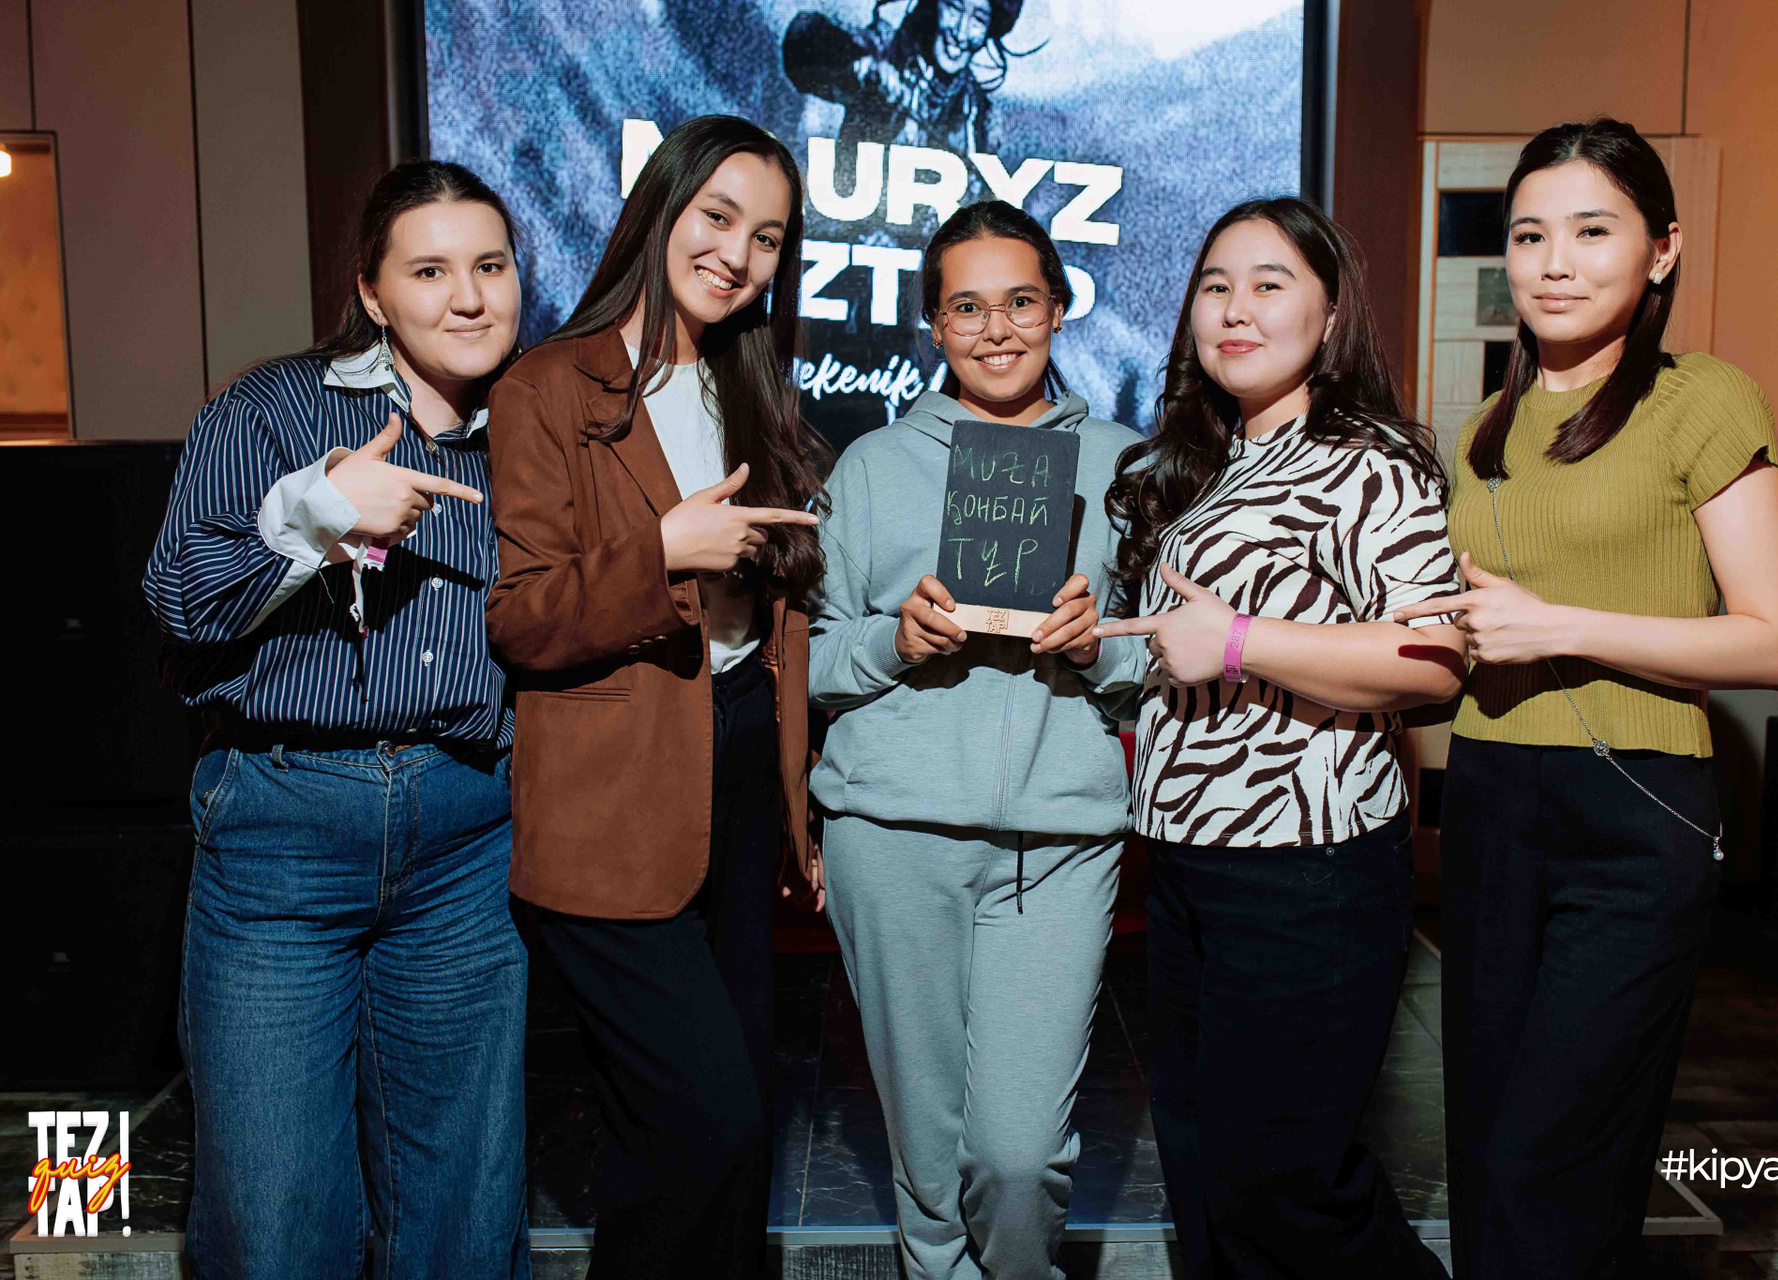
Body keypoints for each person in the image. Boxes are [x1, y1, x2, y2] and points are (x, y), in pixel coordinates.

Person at [1391, 118, 1778, 1279]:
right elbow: (1476, 630)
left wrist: (1559, 626)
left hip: (1635, 815)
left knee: (1554, 1161)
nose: (1554, 262)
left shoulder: (1702, 397)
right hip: (1490, 801)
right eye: (1530, 235)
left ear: (1662, 249)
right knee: (1488, 1149)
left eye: (1591, 230)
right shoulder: (1483, 428)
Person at [144, 160, 529, 1279]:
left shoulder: (537, 426)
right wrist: (319, 514)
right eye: (431, 271)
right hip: (282, 827)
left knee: (462, 1214)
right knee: (277, 1220)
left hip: (467, 836)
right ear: (372, 291)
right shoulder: (271, 408)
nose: (470, 298)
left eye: (492, 266)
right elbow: (180, 597)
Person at [484, 114, 826, 1279]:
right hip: (611, 798)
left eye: (768, 238)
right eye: (718, 217)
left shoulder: (752, 386)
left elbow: (779, 621)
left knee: (714, 1133)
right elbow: (522, 616)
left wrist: (796, 807)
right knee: (705, 1117)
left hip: (737, 770)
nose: (739, 254)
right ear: (661, 208)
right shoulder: (546, 386)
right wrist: (663, 550)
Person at [1096, 197, 1462, 1279]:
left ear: (1331, 312)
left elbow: (1435, 660)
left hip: (1307, 868)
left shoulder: (1368, 462)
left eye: (1269, 284)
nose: (1235, 309)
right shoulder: (1205, 462)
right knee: (1208, 1171)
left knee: (1289, 1184)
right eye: (1215, 286)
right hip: (1189, 862)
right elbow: (1177, 652)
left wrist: (1240, 641)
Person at [808, 199, 1146, 1279]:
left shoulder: (1128, 467)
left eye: (1020, 302)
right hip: (891, 831)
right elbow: (810, 659)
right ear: (934, 325)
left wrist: (1098, 648)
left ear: (1059, 309)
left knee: (1016, 1154)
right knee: (928, 1156)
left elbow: (1162, 662)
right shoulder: (872, 465)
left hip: (1059, 840)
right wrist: (894, 639)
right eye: (966, 307)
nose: (996, 329)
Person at [783, 0, 1026, 156]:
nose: (961, 32)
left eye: (978, 20)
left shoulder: (978, 115)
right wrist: (861, 65)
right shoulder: (885, 50)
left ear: (990, 29)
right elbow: (802, 40)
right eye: (954, 8)